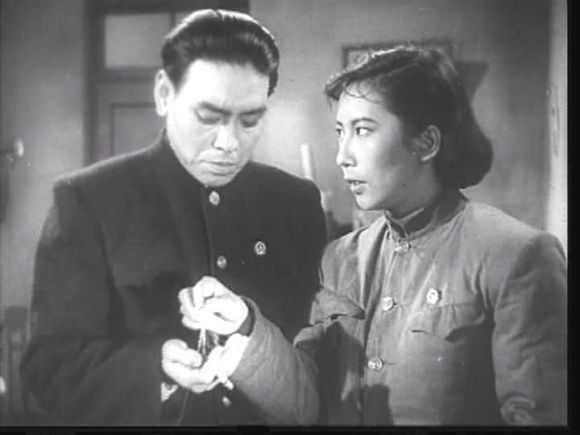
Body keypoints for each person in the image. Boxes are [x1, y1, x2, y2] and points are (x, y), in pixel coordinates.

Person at [178, 45, 568, 425]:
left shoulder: (516, 255)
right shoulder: (340, 259)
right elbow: (308, 405)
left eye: (363, 130)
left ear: (426, 142)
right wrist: (245, 324)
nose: (342, 156)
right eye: (340, 132)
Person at [20, 9, 326, 425]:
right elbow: (47, 371)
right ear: (164, 94)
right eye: (209, 117)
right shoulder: (88, 200)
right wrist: (156, 370)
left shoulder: (296, 204)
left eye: (250, 120)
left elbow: (321, 362)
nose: (228, 143)